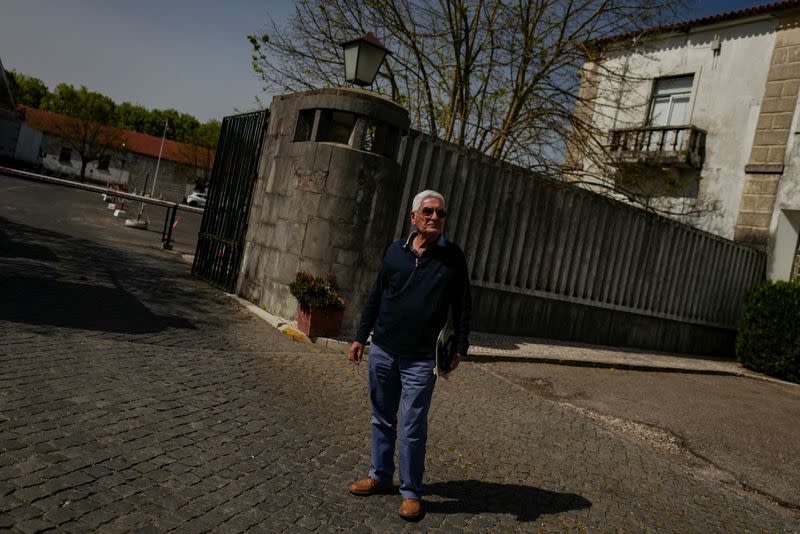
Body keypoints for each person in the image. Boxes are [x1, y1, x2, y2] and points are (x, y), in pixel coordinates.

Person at [347, 189, 471, 521]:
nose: (435, 218)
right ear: (413, 217)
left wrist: (461, 346)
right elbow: (376, 296)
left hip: (421, 359)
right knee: (382, 417)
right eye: (428, 211)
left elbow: (462, 305)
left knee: (413, 426)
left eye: (440, 214)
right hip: (384, 349)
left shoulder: (452, 258)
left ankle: (411, 491)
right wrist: (361, 337)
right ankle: (380, 476)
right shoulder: (394, 252)